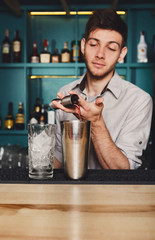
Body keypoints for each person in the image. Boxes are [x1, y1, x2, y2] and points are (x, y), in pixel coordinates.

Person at [51, 8, 153, 170]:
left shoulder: (139, 100)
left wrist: (96, 122)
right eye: (93, 44)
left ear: (121, 54)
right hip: (69, 194)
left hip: (114, 195)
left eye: (111, 48)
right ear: (83, 46)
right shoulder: (66, 92)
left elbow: (123, 171)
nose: (100, 54)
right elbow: (58, 160)